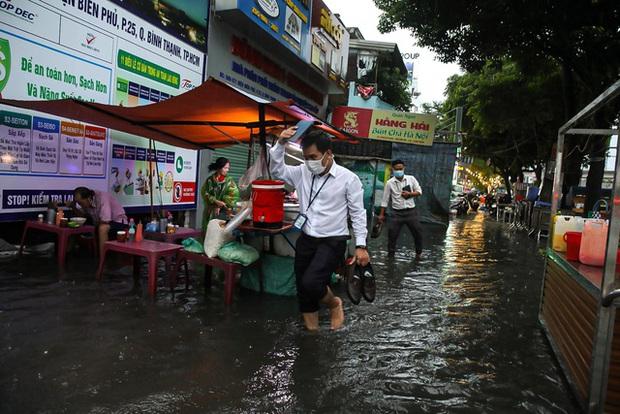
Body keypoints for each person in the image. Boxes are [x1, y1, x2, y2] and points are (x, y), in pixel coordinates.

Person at [270, 127, 370, 331]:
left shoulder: (348, 179)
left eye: (313, 157)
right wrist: (280, 143)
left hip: (333, 240)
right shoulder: (302, 172)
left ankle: (334, 303)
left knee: (312, 282)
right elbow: (277, 170)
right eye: (306, 157)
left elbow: (358, 214)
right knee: (302, 288)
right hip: (307, 238)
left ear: (328, 154)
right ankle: (312, 334)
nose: (309, 162)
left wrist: (361, 245)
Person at [378, 159, 423, 260]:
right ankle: (390, 257)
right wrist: (381, 215)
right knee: (392, 235)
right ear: (392, 170)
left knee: (418, 233)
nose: (399, 171)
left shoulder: (411, 179)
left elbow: (419, 191)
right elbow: (385, 200)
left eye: (400, 169)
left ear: (404, 168)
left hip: (411, 212)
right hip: (396, 214)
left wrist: (410, 194)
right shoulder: (389, 183)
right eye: (396, 169)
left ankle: (418, 254)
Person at [71, 187, 128, 258]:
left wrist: (94, 227)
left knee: (102, 228)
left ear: (88, 198)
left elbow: (105, 220)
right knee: (75, 225)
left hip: (118, 222)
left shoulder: (103, 198)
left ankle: (102, 259)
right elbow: (82, 216)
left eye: (80, 203)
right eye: (78, 203)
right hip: (100, 222)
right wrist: (73, 207)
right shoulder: (87, 202)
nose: (80, 205)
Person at [201, 157, 239, 233]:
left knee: (220, 233)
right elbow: (204, 192)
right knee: (208, 231)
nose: (227, 170)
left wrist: (220, 205)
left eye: (228, 168)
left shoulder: (229, 181)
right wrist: (215, 201)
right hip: (209, 212)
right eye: (225, 168)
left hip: (223, 212)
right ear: (219, 168)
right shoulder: (210, 180)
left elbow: (234, 195)